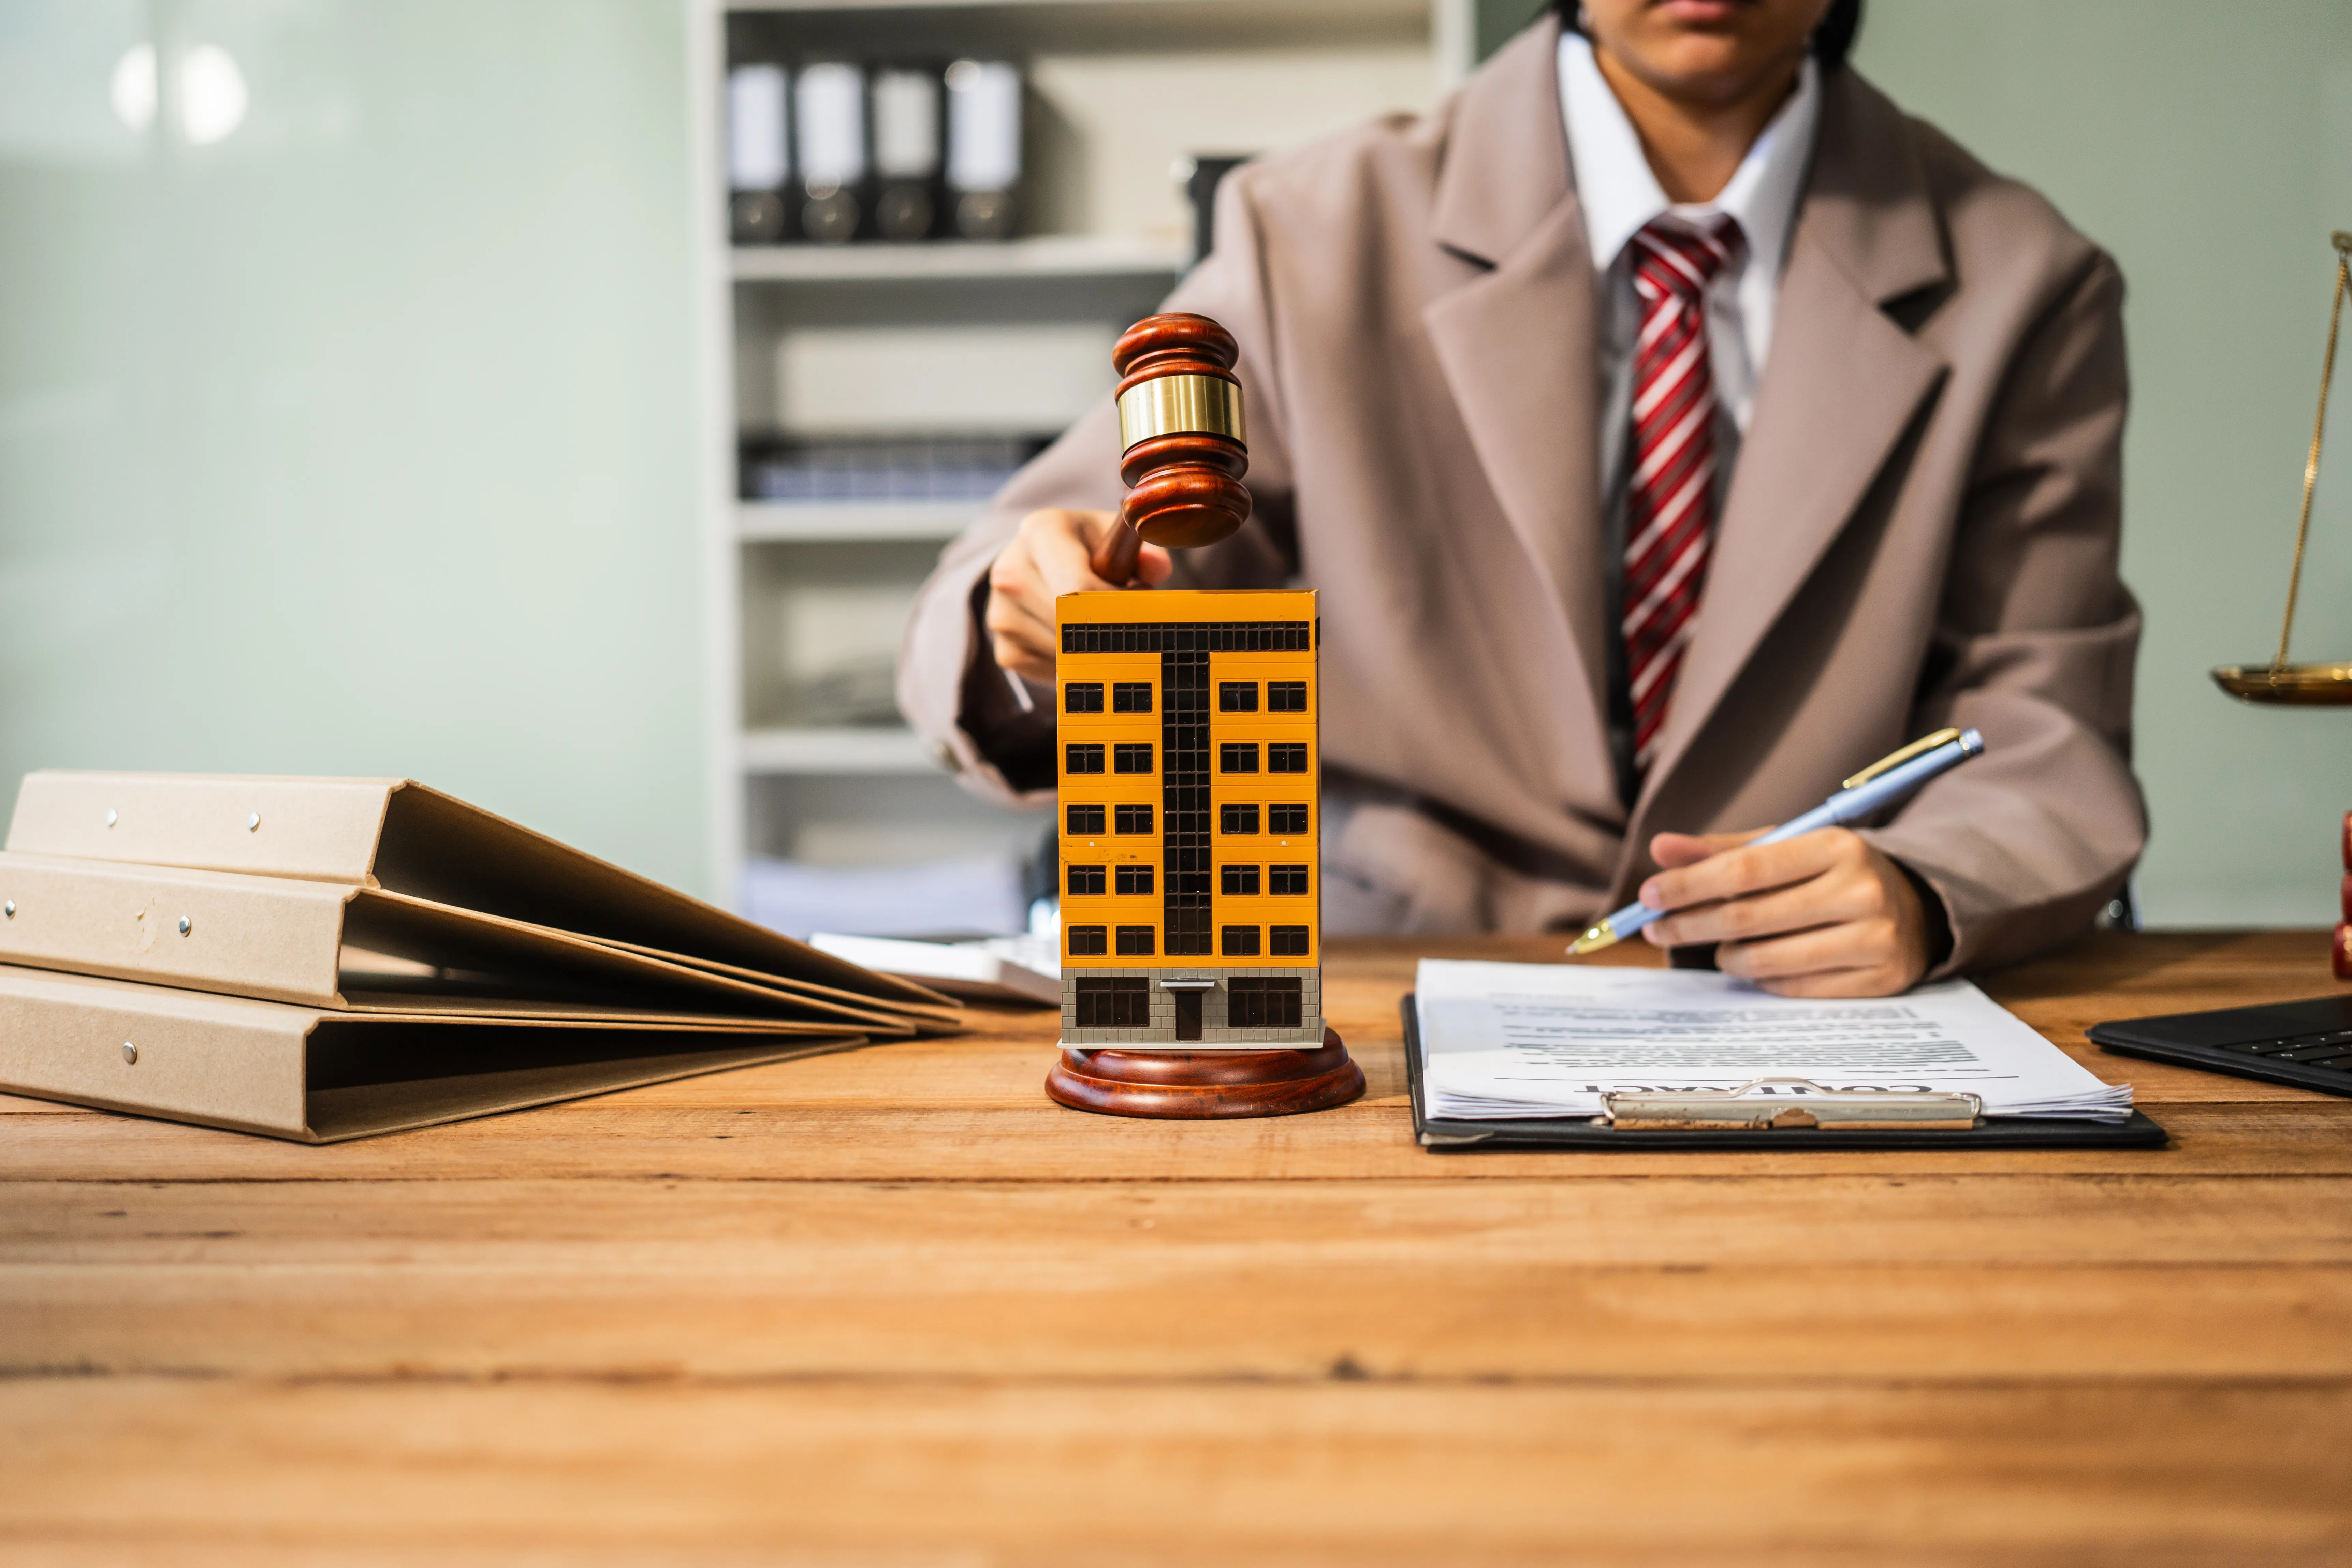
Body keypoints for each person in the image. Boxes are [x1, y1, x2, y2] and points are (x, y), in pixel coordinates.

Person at [895, 0, 2144, 998]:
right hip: (1386, 987)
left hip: (1797, 1004)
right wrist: (1037, 615)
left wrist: (1925, 888)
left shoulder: (2026, 281)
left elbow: (2038, 713)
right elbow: (1064, 557)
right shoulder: (1302, 230)